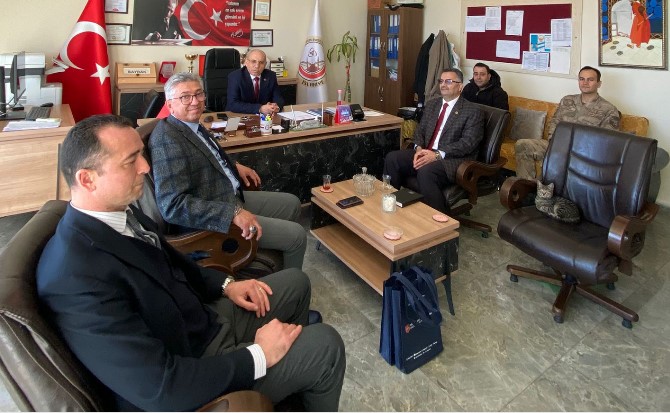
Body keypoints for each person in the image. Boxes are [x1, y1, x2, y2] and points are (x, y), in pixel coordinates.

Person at [36, 114, 345, 411]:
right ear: (87, 179)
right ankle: (297, 372)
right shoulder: (74, 277)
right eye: (131, 161)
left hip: (202, 320)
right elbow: (162, 388)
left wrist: (227, 285)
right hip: (197, 370)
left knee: (296, 283)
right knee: (326, 345)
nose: (145, 167)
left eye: (141, 154)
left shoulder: (119, 212)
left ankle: (295, 384)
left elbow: (173, 260)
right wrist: (260, 355)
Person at [149, 72, 307, 270]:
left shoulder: (191, 125)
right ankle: (290, 281)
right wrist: (232, 213)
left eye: (198, 94)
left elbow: (209, 154)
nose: (195, 101)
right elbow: (173, 206)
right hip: (214, 219)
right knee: (297, 236)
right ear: (170, 104)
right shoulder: (167, 139)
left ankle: (272, 253)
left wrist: (235, 166)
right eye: (185, 97)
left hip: (225, 194)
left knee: (292, 203)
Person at [383, 68, 485, 214]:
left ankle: (440, 219)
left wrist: (436, 155)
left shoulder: (472, 111)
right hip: (426, 151)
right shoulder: (433, 104)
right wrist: (418, 149)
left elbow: (468, 143)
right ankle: (390, 204)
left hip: (452, 159)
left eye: (449, 81)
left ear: (460, 87)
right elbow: (420, 130)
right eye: (441, 81)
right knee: (393, 158)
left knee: (426, 171)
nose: (443, 84)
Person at [515, 66, 621, 179]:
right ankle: (525, 184)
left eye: (590, 79)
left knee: (557, 160)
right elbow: (555, 122)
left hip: (583, 154)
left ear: (599, 83)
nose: (585, 83)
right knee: (523, 144)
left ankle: (544, 186)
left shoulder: (609, 109)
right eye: (582, 79)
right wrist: (554, 142)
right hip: (557, 145)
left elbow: (606, 142)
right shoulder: (567, 100)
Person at [226, 49, 284, 114]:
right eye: (253, 61)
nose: (257, 66)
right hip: (240, 115)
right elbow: (233, 104)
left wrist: (275, 107)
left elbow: (279, 99)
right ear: (246, 62)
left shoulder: (270, 76)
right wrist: (260, 108)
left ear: (265, 64)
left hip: (265, 117)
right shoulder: (235, 76)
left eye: (261, 62)